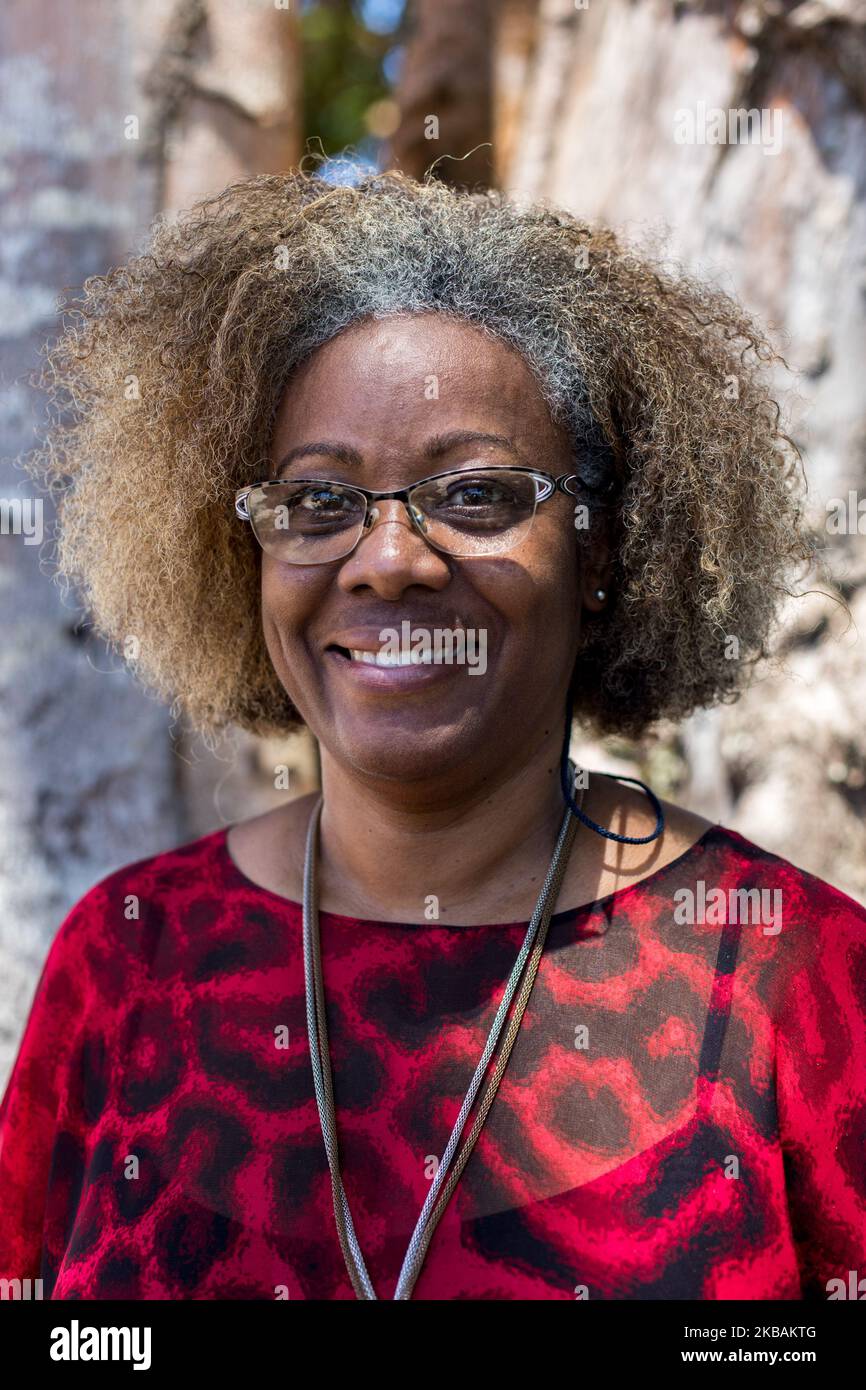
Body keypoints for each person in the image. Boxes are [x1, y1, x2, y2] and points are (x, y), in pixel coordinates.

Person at [1, 170, 863, 1301]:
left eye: (474, 495)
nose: (388, 559)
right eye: (316, 503)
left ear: (599, 552)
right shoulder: (129, 958)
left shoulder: (784, 974)